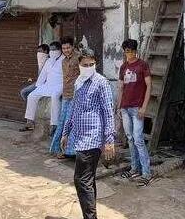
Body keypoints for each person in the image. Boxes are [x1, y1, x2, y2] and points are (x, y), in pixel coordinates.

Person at [61, 48, 115, 219]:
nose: (89, 67)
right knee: (87, 180)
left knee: (81, 180)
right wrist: (65, 132)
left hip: (92, 138)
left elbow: (108, 112)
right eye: (85, 65)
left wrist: (109, 140)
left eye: (92, 64)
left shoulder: (101, 82)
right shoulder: (79, 81)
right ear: (79, 65)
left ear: (95, 64)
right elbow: (74, 108)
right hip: (79, 137)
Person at [117, 39, 152, 186]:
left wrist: (144, 107)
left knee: (138, 139)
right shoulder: (123, 67)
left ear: (135, 51)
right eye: (127, 51)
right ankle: (134, 168)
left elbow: (149, 86)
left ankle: (147, 173)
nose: (129, 54)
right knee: (130, 138)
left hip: (137, 108)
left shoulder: (142, 65)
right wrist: (119, 107)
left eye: (131, 51)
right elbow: (120, 88)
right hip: (125, 108)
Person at [22, 41, 64, 131]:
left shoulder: (64, 60)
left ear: (60, 50)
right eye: (51, 50)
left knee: (55, 96)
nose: (52, 52)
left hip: (60, 84)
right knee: (31, 96)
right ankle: (30, 122)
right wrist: (38, 86)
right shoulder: (49, 60)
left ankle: (54, 124)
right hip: (48, 84)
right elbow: (43, 75)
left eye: (54, 50)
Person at [49, 37, 80, 157]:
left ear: (73, 47)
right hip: (66, 94)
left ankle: (70, 151)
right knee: (62, 121)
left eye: (68, 47)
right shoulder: (63, 61)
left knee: (71, 122)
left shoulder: (79, 58)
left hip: (76, 95)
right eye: (64, 48)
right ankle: (60, 149)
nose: (66, 50)